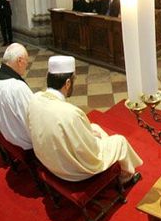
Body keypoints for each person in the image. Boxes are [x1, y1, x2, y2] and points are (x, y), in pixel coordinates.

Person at [27, 55, 143, 184]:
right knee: (120, 141)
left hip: (49, 161)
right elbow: (90, 151)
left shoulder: (35, 98)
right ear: (67, 83)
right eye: (74, 79)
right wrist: (94, 139)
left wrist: (90, 133)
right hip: (72, 171)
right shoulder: (70, 113)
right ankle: (126, 177)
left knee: (94, 128)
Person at [0, 43, 33, 150]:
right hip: (25, 145)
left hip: (8, 138)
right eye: (26, 62)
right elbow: (32, 119)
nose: (26, 66)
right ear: (20, 60)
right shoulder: (17, 88)